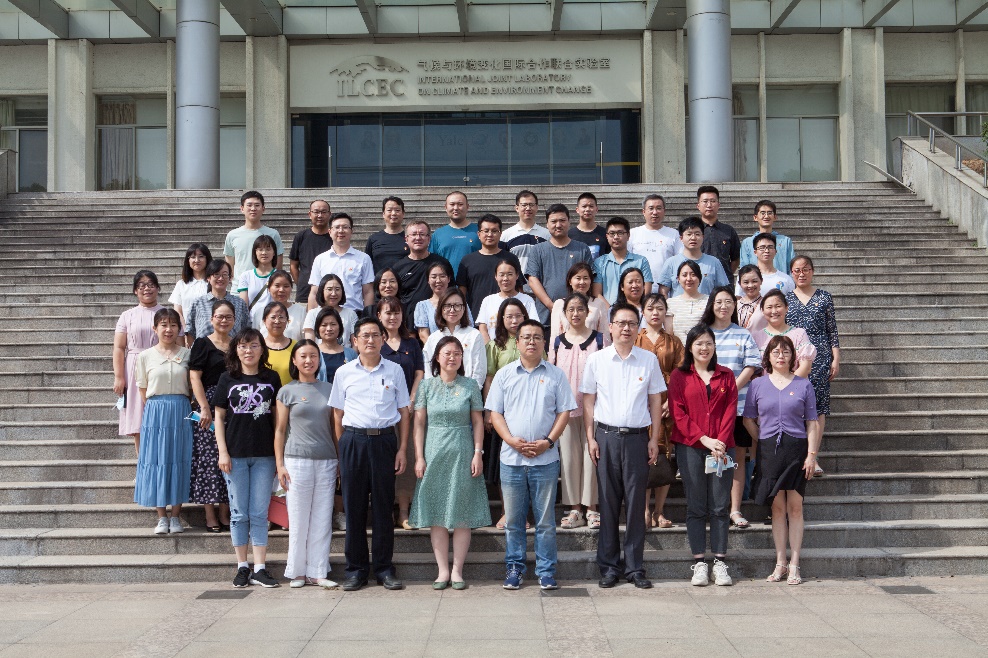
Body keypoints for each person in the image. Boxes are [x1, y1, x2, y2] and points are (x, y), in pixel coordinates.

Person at [486, 319, 576, 591]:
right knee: (514, 520)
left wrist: (548, 442)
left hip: (545, 459)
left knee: (545, 521)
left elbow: (564, 412)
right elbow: (495, 413)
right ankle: (514, 568)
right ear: (517, 342)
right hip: (511, 460)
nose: (532, 341)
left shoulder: (556, 375)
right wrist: (510, 440)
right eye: (526, 337)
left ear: (544, 342)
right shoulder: (504, 374)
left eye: (537, 337)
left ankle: (546, 571)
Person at [581, 303, 665, 589]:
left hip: (638, 439)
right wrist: (590, 438)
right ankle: (608, 567)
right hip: (606, 438)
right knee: (607, 503)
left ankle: (634, 567)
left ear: (637, 327)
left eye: (631, 323)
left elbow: (655, 400)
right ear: (611, 327)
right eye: (621, 323)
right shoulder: (597, 360)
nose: (626, 328)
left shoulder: (648, 359)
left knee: (635, 505)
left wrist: (654, 438)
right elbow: (588, 401)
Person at [328, 317, 411, 591]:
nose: (370, 340)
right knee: (354, 508)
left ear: (383, 339)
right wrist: (342, 449)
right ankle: (356, 570)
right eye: (365, 335)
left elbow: (404, 412)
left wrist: (402, 449)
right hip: (353, 441)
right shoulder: (344, 373)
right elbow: (337, 414)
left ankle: (384, 569)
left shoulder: (395, 370)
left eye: (376, 335)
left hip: (385, 441)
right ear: (355, 341)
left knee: (384, 508)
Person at [409, 336, 490, 590]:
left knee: (461, 512)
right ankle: (442, 570)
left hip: (463, 451)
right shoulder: (426, 386)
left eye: (457, 353)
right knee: (437, 512)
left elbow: (477, 421)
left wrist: (478, 453)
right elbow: (419, 424)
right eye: (447, 353)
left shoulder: (470, 385)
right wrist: (419, 456)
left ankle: (457, 570)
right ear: (437, 357)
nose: (452, 357)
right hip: (433, 451)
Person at [743, 335, 820, 585]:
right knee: (776, 508)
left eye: (786, 351)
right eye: (775, 351)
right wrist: (762, 439)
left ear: (792, 356)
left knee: (795, 507)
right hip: (769, 452)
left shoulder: (803, 384)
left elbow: (812, 423)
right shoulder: (757, 384)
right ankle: (780, 562)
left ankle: (795, 563)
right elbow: (748, 419)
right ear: (768, 356)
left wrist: (811, 455)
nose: (780, 356)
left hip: (796, 450)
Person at [668, 324, 739, 587]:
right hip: (690, 447)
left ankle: (720, 562)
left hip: (722, 447)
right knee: (696, 505)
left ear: (714, 346)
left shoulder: (726, 375)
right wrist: (704, 439)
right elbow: (678, 413)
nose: (704, 347)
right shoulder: (680, 376)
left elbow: (731, 411)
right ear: (690, 347)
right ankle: (699, 562)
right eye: (699, 343)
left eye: (708, 342)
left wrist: (719, 442)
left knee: (720, 506)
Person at [213, 327, 283, 588]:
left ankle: (260, 568)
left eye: (253, 345)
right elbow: (219, 417)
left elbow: (278, 420)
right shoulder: (227, 378)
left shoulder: (272, 378)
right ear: (236, 350)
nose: (248, 350)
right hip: (235, 455)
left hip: (265, 455)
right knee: (239, 513)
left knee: (259, 513)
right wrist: (222, 451)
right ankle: (242, 566)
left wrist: (279, 456)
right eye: (243, 346)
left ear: (262, 349)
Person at [274, 340, 339, 589]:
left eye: (313, 355)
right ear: (294, 360)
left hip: (326, 460)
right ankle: (298, 572)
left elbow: (335, 429)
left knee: (322, 518)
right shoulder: (287, 391)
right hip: (296, 461)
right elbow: (280, 431)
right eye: (303, 356)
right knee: (299, 517)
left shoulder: (329, 389)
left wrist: (340, 460)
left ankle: (318, 571)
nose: (308, 360)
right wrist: (280, 465)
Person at [699, 287, 761, 529]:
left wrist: (729, 388)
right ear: (711, 305)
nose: (723, 306)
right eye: (718, 302)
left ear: (735, 306)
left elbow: (752, 365)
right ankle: (710, 508)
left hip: (738, 407)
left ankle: (734, 509)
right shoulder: (703, 333)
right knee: (707, 456)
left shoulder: (743, 334)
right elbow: (694, 365)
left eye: (728, 302)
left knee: (737, 459)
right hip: (707, 407)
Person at [547, 293, 605, 531]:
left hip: (595, 408)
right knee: (570, 459)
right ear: (565, 314)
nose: (576, 313)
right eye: (571, 309)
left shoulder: (599, 339)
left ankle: (592, 508)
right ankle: (574, 509)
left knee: (592, 457)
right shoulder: (557, 342)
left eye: (580, 309)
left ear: (587, 312)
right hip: (565, 410)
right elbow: (551, 374)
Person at [134, 308, 192, 535]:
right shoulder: (145, 356)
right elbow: (142, 388)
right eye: (164, 325)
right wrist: (155, 410)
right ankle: (161, 517)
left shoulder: (187, 354)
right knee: (157, 460)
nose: (169, 330)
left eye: (173, 325)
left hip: (181, 409)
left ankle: (176, 516)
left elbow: (192, 386)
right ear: (155, 328)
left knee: (179, 459)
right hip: (156, 411)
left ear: (179, 329)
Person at [786, 255, 840, 476]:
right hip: (793, 357)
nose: (802, 274)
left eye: (806, 269)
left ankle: (814, 456)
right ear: (791, 273)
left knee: (818, 406)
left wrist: (836, 358)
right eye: (797, 270)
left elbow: (832, 330)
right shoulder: (786, 298)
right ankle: (796, 455)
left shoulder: (824, 297)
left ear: (812, 271)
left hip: (820, 357)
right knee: (794, 403)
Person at [635, 293, 684, 529]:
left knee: (664, 455)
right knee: (643, 457)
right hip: (641, 406)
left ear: (666, 313)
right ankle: (644, 509)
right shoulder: (635, 340)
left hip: (666, 405)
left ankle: (659, 511)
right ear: (643, 312)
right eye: (650, 308)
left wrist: (671, 403)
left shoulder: (674, 342)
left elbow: (682, 375)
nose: (655, 313)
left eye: (660, 308)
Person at [483, 297, 530, 530]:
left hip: (529, 410)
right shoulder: (494, 345)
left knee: (528, 463)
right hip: (502, 413)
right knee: (505, 466)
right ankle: (506, 511)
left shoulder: (532, 342)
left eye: (518, 316)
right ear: (501, 319)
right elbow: (489, 378)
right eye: (509, 316)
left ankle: (524, 513)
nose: (514, 320)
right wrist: (489, 412)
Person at [378, 296, 424, 530]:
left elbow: (419, 373)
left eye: (396, 312)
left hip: (408, 410)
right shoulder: (376, 343)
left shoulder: (411, 343)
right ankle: (386, 509)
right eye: (388, 312)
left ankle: (404, 511)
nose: (392, 317)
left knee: (407, 458)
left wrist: (412, 398)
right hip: (383, 412)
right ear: (379, 316)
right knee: (385, 461)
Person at [188, 299, 234, 532]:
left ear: (234, 320)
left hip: (233, 405)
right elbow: (194, 376)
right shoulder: (202, 343)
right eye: (219, 316)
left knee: (230, 457)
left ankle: (225, 512)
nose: (223, 321)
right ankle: (209, 514)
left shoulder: (238, 344)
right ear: (211, 319)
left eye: (228, 317)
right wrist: (204, 407)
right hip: (208, 403)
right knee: (208, 459)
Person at [114, 270, 166, 456]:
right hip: (134, 367)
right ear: (135, 290)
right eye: (142, 286)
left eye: (151, 285)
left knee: (161, 417)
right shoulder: (127, 315)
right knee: (138, 419)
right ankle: (142, 463)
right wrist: (119, 377)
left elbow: (179, 343)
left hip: (162, 364)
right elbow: (119, 347)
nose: (147, 289)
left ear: (158, 288)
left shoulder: (167, 313)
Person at [525, 204, 593, 325]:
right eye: (553, 221)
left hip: (577, 317)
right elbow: (532, 280)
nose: (558, 225)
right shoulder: (537, 250)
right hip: (546, 317)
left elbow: (590, 278)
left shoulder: (582, 249)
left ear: (569, 222)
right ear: (547, 224)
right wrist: (552, 306)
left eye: (562, 220)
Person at [456, 213, 523, 321]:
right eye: (486, 231)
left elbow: (519, 289)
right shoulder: (467, 260)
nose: (490, 234)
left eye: (494, 231)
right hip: (476, 318)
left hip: (508, 319)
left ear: (500, 234)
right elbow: (462, 292)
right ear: (479, 234)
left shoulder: (511, 259)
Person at [392, 221, 454, 331]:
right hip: (408, 325)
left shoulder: (442, 263)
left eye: (422, 234)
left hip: (438, 323)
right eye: (414, 234)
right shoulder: (398, 267)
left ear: (429, 238)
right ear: (406, 239)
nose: (418, 238)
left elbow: (451, 291)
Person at [307, 212, 374, 313]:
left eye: (345, 227)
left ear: (351, 231)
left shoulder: (364, 258)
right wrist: (311, 317)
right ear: (330, 231)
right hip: (327, 315)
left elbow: (368, 292)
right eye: (337, 227)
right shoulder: (320, 259)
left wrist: (368, 316)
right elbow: (314, 292)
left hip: (355, 313)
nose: (341, 231)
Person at [422, 289, 486, 390]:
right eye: (447, 306)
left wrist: (471, 393)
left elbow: (479, 370)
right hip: (438, 393)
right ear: (441, 308)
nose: (452, 310)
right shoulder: (433, 338)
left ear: (464, 308)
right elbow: (428, 370)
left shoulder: (474, 335)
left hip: (467, 393)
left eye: (457, 305)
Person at [657, 216, 730, 297]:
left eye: (697, 234)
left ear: (703, 237)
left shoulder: (714, 262)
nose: (693, 238)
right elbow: (663, 292)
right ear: (681, 238)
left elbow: (722, 291)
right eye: (689, 234)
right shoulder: (671, 262)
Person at [753, 290, 816, 379]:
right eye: (769, 307)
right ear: (762, 310)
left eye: (778, 306)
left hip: (795, 385)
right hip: (764, 387)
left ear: (786, 308)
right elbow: (753, 371)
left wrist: (786, 384)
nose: (774, 311)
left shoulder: (799, 334)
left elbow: (805, 367)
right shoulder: (755, 337)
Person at [184, 260, 251, 343]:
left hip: (231, 350)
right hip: (204, 350)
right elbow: (190, 332)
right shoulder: (198, 303)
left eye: (225, 274)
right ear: (208, 278)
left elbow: (246, 331)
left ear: (230, 278)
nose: (221, 278)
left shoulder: (239, 303)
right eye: (216, 274)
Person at [592, 217, 653, 304]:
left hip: (635, 310)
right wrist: (611, 310)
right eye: (612, 233)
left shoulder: (641, 261)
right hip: (608, 310)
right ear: (607, 236)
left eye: (620, 233)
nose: (616, 237)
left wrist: (633, 309)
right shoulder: (599, 262)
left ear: (628, 235)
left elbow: (646, 290)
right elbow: (596, 293)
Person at [475, 258, 538, 343]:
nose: (505, 278)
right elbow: (483, 328)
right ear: (496, 276)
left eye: (510, 274)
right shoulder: (488, 300)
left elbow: (533, 326)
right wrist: (489, 347)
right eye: (501, 275)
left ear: (517, 275)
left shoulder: (527, 300)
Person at [224, 190, 283, 281]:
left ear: (263, 209)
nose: (253, 208)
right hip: (239, 286)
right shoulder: (232, 235)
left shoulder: (273, 234)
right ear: (242, 208)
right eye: (249, 205)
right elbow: (229, 265)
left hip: (266, 286)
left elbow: (278, 264)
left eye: (257, 205)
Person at [549, 262, 610, 343]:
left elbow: (605, 335)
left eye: (585, 278)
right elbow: (555, 335)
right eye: (578, 278)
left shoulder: (598, 304)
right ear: (570, 281)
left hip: (593, 349)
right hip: (566, 349)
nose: (582, 282)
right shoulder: (560, 304)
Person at [289, 199, 333, 304]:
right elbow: (293, 266)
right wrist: (301, 283)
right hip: (305, 293)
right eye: (316, 212)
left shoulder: (334, 237)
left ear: (329, 214)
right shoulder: (301, 236)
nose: (320, 215)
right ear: (310, 214)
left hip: (331, 295)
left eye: (323, 212)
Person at [629, 194, 681, 280]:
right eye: (651, 208)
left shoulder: (674, 234)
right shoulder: (632, 233)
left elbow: (679, 260)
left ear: (664, 211)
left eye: (659, 208)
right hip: (639, 285)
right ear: (643, 212)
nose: (655, 212)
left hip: (665, 285)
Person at [502, 190, 551, 282]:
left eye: (531, 205)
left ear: (537, 207)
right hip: (515, 287)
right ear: (517, 208)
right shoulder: (505, 236)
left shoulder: (547, 235)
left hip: (541, 286)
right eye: (524, 205)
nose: (528, 208)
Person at [695, 185, 740, 284]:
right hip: (699, 283)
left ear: (718, 205)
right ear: (698, 206)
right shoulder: (693, 231)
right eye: (705, 201)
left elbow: (736, 259)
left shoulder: (728, 231)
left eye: (713, 201)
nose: (709, 205)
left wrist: (724, 274)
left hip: (724, 283)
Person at [414, 261, 467, 344]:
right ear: (428, 280)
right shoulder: (422, 306)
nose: (438, 280)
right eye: (434, 277)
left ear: (449, 279)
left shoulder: (460, 303)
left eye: (442, 276)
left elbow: (468, 326)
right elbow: (423, 335)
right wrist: (439, 350)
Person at [430, 191, 478, 276]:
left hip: (474, 282)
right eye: (452, 204)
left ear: (467, 207)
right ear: (446, 207)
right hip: (446, 283)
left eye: (460, 204)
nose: (456, 208)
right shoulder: (438, 234)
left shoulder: (479, 232)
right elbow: (431, 263)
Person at [739, 200, 796, 272]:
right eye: (762, 213)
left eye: (769, 213)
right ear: (755, 217)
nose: (766, 216)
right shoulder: (747, 242)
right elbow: (744, 268)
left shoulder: (785, 241)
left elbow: (792, 267)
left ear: (775, 217)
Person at [303, 274, 358, 347]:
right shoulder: (312, 314)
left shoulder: (351, 314)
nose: (334, 293)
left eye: (337, 289)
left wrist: (351, 354)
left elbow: (355, 343)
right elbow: (309, 343)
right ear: (322, 290)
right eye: (329, 289)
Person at [251, 270, 305, 341]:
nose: (281, 290)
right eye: (277, 286)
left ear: (291, 288)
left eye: (286, 286)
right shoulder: (260, 312)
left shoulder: (301, 311)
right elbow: (255, 339)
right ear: (269, 288)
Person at [169, 243, 212, 332]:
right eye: (193, 257)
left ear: (207, 259)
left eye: (201, 256)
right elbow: (178, 311)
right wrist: (186, 331)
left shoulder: (213, 283)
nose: (197, 260)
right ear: (188, 260)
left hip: (210, 331)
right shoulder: (181, 284)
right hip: (188, 332)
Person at [312, 306, 359, 384]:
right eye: (324, 325)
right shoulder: (312, 353)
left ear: (340, 327)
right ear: (318, 328)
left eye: (333, 324)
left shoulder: (351, 354)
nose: (329, 329)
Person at [666, 260, 709, 342]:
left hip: (703, 348)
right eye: (684, 275)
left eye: (693, 275)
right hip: (679, 349)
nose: (689, 279)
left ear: (700, 278)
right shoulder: (670, 303)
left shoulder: (709, 301)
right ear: (678, 279)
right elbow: (669, 335)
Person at [365, 195, 410, 274]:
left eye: (397, 210)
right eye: (389, 210)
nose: (393, 213)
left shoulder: (410, 238)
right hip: (380, 281)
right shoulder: (374, 239)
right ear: (383, 214)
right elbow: (367, 266)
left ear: (403, 213)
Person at [237, 234, 277, 311]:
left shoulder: (279, 276)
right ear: (255, 252)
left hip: (273, 317)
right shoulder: (246, 276)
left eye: (268, 249)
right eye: (260, 249)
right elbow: (244, 306)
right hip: (252, 318)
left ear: (274, 252)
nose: (264, 253)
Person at [262, 301, 296, 385]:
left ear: (287, 321)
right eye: (273, 317)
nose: (277, 321)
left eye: (281, 317)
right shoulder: (259, 346)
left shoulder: (296, 346)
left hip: (290, 392)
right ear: (264, 320)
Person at [568, 192, 609, 259]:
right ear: (577, 210)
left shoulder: (605, 234)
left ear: (596, 209)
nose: (587, 209)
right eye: (584, 206)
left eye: (591, 206)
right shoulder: (569, 235)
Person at [736, 264, 768, 333]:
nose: (750, 285)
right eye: (746, 282)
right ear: (739, 283)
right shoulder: (735, 304)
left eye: (754, 281)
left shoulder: (767, 304)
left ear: (761, 281)